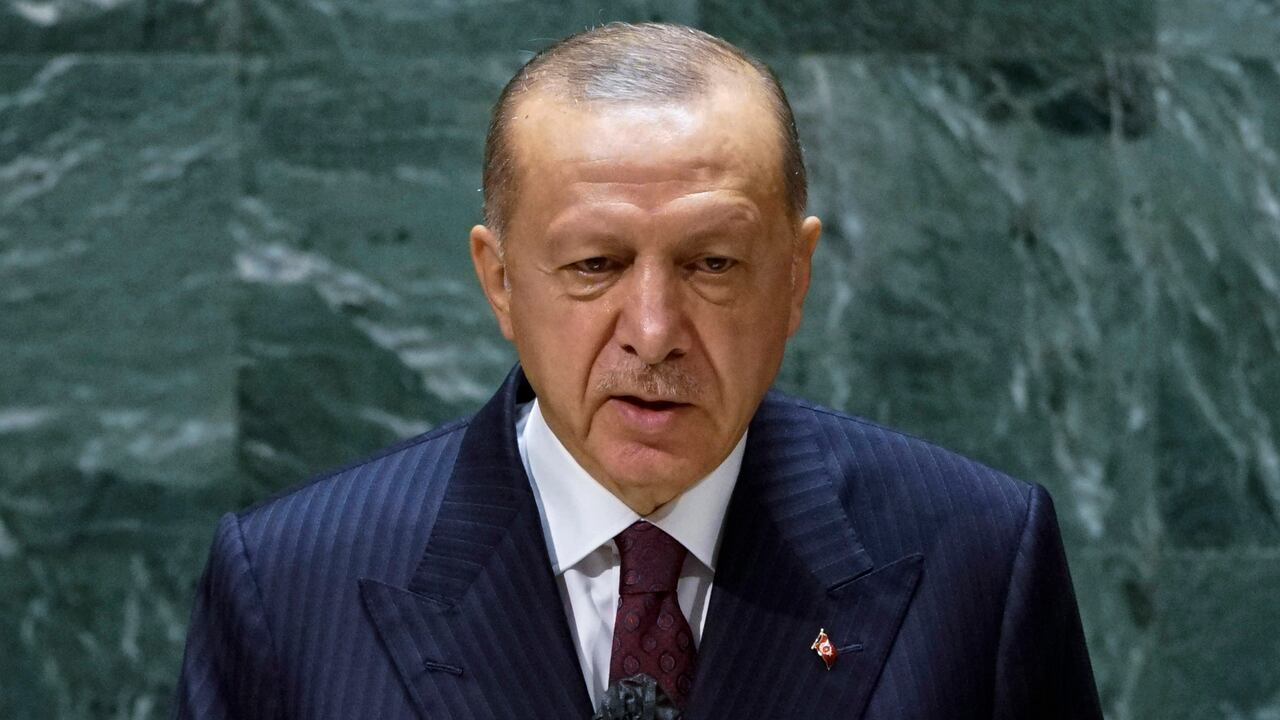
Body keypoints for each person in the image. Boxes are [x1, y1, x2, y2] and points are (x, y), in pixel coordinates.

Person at [173, 22, 1102, 720]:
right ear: (500, 281)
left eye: (713, 264)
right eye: (595, 265)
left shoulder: (977, 561)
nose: (654, 334)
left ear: (794, 278)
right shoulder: (291, 584)